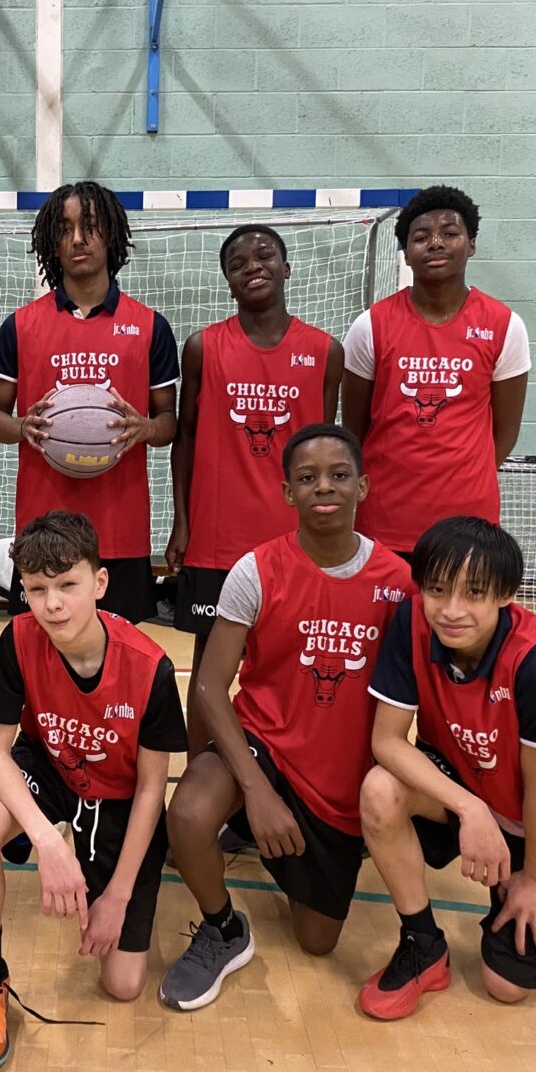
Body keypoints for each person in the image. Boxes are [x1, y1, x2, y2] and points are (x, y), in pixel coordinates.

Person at [158, 425, 412, 1011]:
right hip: (262, 745)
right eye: (307, 477)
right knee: (192, 813)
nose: (324, 487)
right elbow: (209, 686)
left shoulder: (398, 585)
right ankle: (222, 928)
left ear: (363, 486)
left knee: (318, 942)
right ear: (286, 493)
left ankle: (258, 829)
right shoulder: (256, 570)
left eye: (339, 475)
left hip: (336, 775)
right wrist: (255, 787)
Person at [0, 511, 187, 1071]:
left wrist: (117, 897)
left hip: (121, 797)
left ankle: (114, 884)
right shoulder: (19, 638)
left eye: (67, 585)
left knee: (124, 984)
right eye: (36, 589)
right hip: (53, 767)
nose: (52, 603)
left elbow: (154, 788)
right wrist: (48, 842)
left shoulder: (150, 667)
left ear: (100, 583)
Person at [357, 516, 536, 1020]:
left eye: (473, 594)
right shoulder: (411, 623)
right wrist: (471, 809)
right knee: (380, 790)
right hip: (470, 787)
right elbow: (386, 741)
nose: (451, 610)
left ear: (505, 594)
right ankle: (422, 944)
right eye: (438, 590)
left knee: (504, 987)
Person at [167, 224, 343, 754]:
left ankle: (289, 777)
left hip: (294, 543)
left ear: (287, 269)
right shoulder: (202, 347)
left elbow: (327, 454)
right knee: (209, 671)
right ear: (227, 280)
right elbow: (186, 438)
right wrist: (181, 520)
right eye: (238, 262)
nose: (253, 265)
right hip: (218, 537)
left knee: (289, 664)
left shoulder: (324, 351)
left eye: (265, 255)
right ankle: (202, 783)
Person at [0, 182, 179, 623]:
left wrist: (145, 428)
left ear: (110, 234)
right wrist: (22, 427)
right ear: (52, 241)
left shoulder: (150, 327)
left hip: (121, 529)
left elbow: (169, 424)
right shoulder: (20, 326)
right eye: (66, 228)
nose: (78, 239)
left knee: (121, 659)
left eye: (90, 226)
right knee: (40, 660)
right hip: (42, 527)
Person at [339, 185, 530, 559]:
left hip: (467, 519)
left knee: (457, 619)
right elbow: (355, 429)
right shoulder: (370, 325)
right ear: (406, 254)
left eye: (450, 233)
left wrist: (460, 472)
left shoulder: (504, 325)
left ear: (471, 244)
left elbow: (504, 434)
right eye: (421, 237)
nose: (436, 243)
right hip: (385, 516)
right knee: (386, 619)